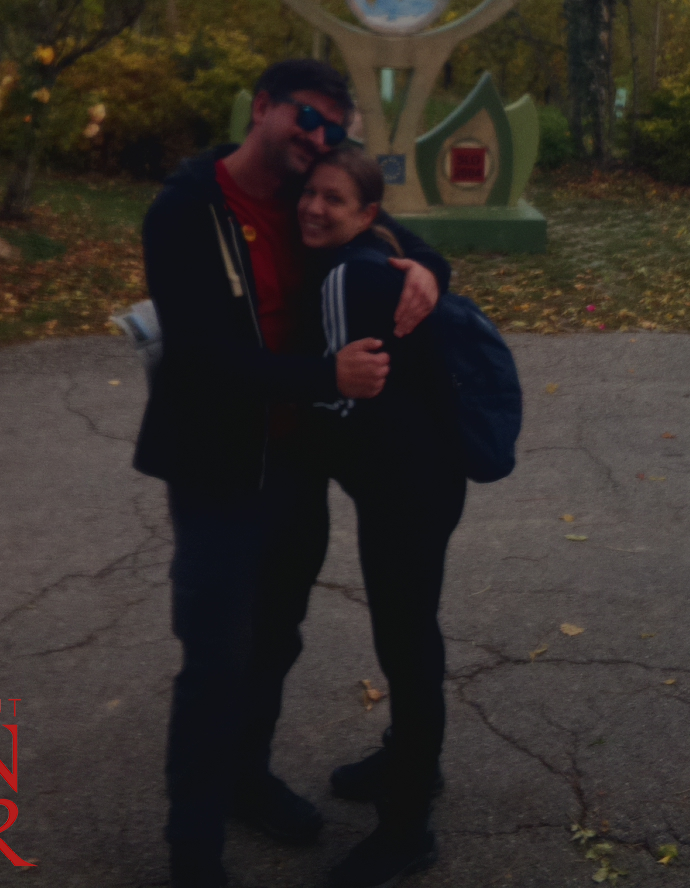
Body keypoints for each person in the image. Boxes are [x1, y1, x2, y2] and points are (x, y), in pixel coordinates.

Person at [134, 60, 449, 888]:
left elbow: (399, 238)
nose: (318, 139)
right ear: (263, 106)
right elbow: (200, 358)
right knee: (216, 660)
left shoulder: (303, 195)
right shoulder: (185, 211)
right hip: (216, 467)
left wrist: (427, 272)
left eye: (333, 129)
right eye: (306, 118)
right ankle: (193, 854)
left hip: (295, 466)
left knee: (274, 640)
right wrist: (324, 378)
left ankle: (247, 779)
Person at [293, 146, 469, 888]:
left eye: (334, 199)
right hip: (424, 476)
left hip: (405, 487)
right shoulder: (383, 254)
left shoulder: (345, 275)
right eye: (309, 192)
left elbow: (343, 396)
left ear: (367, 213)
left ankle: (406, 829)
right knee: (409, 635)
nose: (314, 207)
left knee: (407, 643)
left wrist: (271, 396)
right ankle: (410, 762)